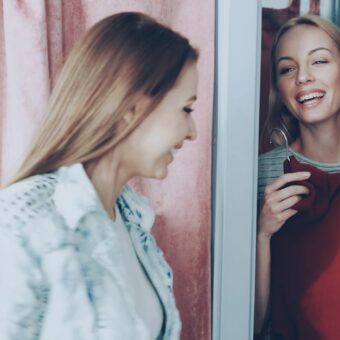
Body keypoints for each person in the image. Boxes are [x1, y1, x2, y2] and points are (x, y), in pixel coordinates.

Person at [0, 12, 199, 339]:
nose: (192, 132)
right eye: (186, 109)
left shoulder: (132, 221)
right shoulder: (22, 222)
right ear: (131, 107)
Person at [255, 14, 340, 335]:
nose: (303, 78)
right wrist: (262, 233)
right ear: (278, 89)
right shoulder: (259, 175)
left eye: (318, 61)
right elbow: (251, 324)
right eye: (287, 69)